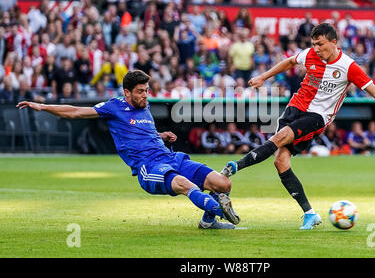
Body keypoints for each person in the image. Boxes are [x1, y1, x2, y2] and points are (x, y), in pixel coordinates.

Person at [220, 23, 375, 230]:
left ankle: (234, 167)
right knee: (280, 161)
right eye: (314, 44)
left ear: (334, 43)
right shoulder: (310, 54)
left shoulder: (348, 66)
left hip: (317, 116)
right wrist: (264, 76)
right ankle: (310, 214)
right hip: (294, 108)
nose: (316, 48)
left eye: (320, 44)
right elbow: (289, 62)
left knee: (279, 138)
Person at [16, 70, 239, 230]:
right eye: (141, 91)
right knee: (185, 184)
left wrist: (160, 135)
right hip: (149, 167)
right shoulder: (114, 107)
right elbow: (74, 112)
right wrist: (42, 106)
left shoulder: (145, 106)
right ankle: (220, 210)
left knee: (223, 183)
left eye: (147, 90)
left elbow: (141, 131)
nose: (145, 95)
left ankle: (209, 220)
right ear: (127, 92)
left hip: (171, 157)